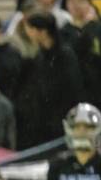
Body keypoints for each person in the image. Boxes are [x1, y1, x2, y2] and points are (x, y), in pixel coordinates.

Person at [15, 11, 83, 149]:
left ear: (42, 32)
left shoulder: (65, 56)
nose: (28, 33)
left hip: (60, 122)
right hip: (42, 123)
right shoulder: (40, 56)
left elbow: (73, 90)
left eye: (31, 29)